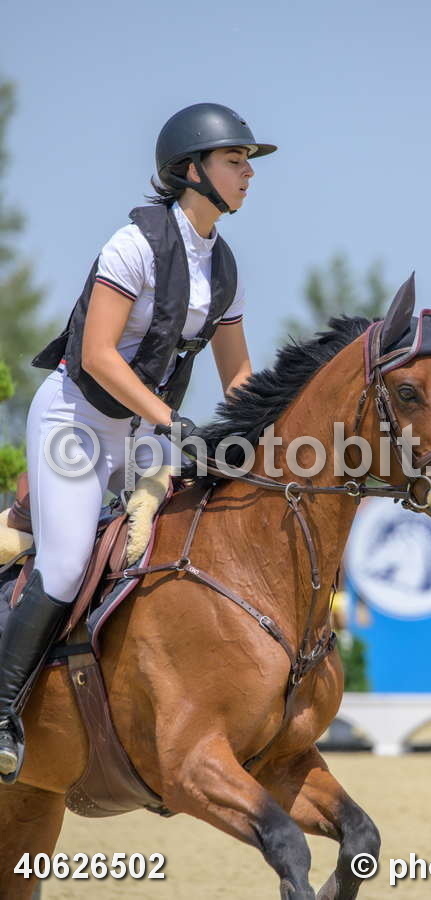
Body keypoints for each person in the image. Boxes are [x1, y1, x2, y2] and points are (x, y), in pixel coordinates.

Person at [0, 103, 276, 781]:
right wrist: (172, 423)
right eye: (234, 160)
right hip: (75, 422)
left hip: (144, 430)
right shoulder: (134, 245)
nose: (248, 174)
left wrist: (268, 442)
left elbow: (237, 377)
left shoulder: (225, 268)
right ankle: (2, 709)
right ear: (191, 170)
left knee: (192, 537)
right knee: (67, 564)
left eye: (247, 163)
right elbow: (98, 354)